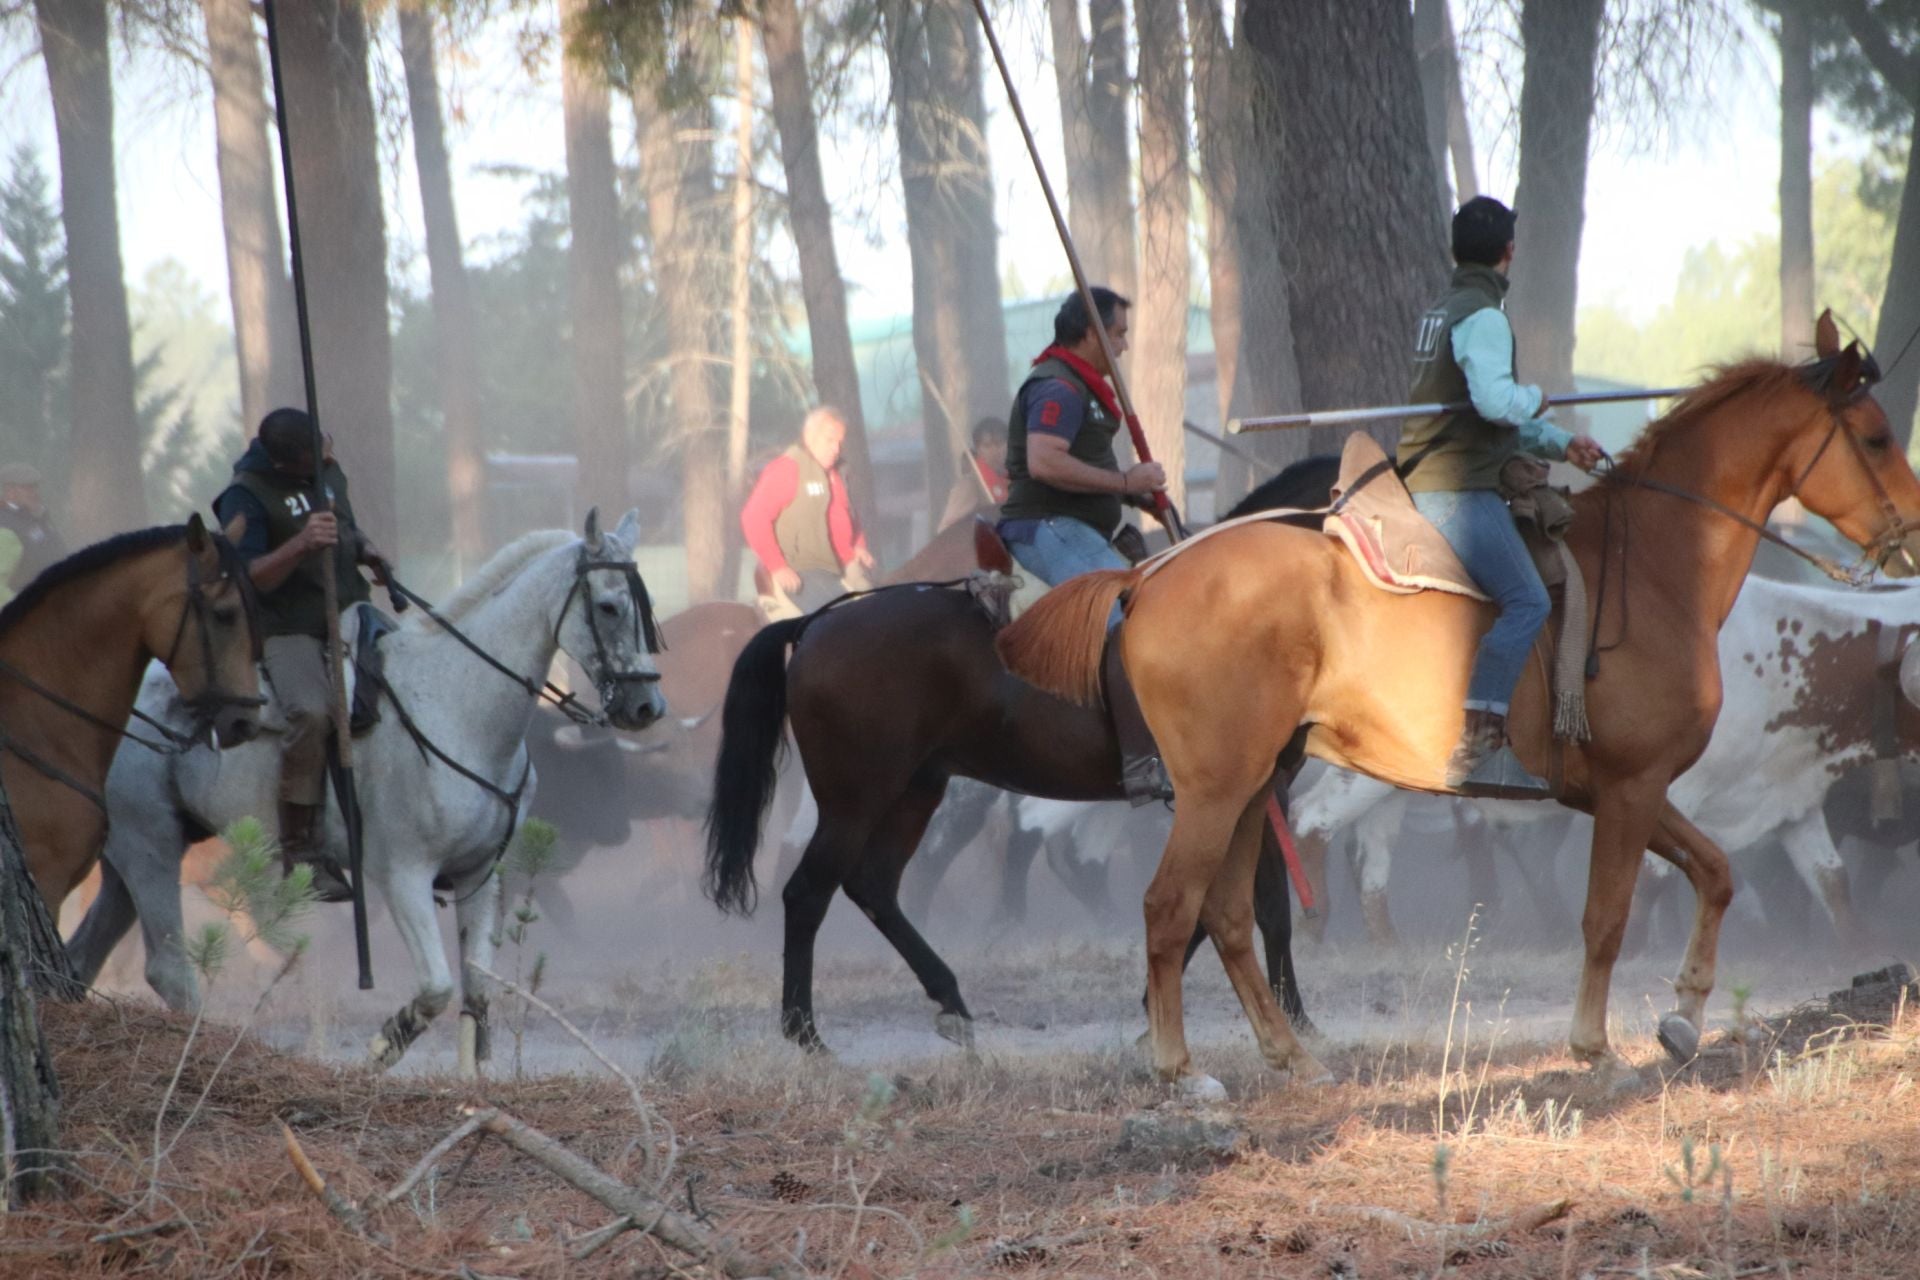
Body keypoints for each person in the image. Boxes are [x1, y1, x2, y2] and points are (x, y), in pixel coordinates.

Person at [1398, 196, 1607, 796]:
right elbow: (1496, 403)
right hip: (1455, 490)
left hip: (1435, 474)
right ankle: (1481, 746)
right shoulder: (1484, 316)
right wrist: (1536, 396)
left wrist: (1564, 445)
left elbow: (1487, 419)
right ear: (1508, 252)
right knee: (1529, 602)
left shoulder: (1441, 310)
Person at [998, 287, 1170, 804]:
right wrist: (1124, 482)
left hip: (1082, 525)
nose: (1123, 346)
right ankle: (1141, 760)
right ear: (1090, 333)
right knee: (1120, 621)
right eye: (1117, 334)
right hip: (1047, 526)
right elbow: (1045, 462)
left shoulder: (1083, 387)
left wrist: (1137, 495)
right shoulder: (1060, 389)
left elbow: (1083, 468)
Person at [213, 408, 390, 899]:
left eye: (324, 446)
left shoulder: (327, 468)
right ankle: (301, 846)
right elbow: (245, 576)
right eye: (312, 455)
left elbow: (346, 529)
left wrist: (365, 549)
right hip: (288, 625)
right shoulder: (244, 495)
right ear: (282, 461)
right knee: (312, 713)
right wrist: (299, 545)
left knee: (413, 684)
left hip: (351, 610)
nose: (325, 458)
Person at [741, 406, 876, 619]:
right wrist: (777, 566)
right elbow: (754, 517)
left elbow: (849, 515)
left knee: (881, 616)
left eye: (840, 442)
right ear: (809, 436)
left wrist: (858, 545)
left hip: (841, 566)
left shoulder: (838, 473)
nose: (836, 448)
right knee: (845, 623)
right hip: (803, 568)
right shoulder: (788, 469)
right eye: (830, 440)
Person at [0, 463, 65, 607]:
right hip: (25, 620)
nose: (34, 492)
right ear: (10, 491)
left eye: (35, 486)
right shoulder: (5, 527)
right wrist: (22, 608)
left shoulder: (38, 519)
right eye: (27, 488)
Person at [938, 417, 1011, 530]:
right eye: (987, 445)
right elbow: (947, 531)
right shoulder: (970, 484)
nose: (995, 450)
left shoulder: (1016, 481)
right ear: (978, 450)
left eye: (999, 443)